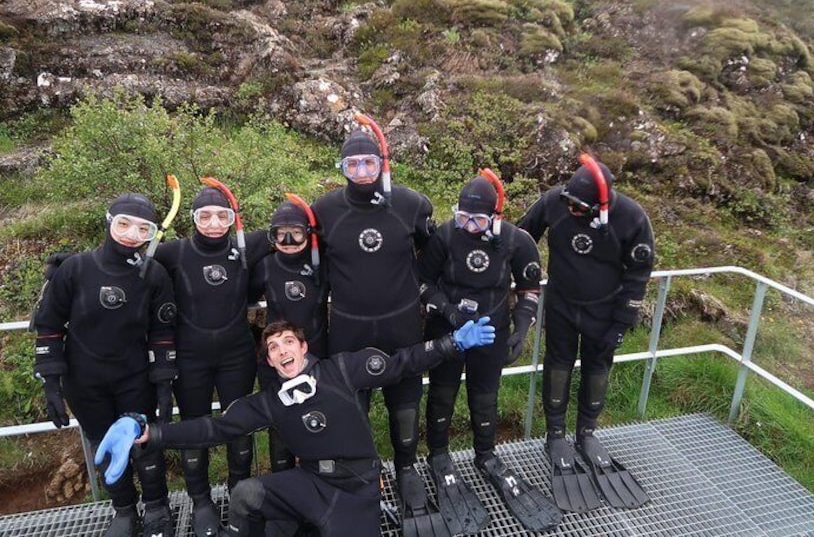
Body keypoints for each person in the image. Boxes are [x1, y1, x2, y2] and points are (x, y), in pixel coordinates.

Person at [95, 318, 496, 537]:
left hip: (355, 489)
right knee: (246, 494)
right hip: (308, 485)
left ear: (303, 348)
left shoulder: (341, 369)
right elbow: (214, 429)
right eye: (272, 347)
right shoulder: (268, 403)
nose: (282, 350)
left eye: (288, 341)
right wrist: (149, 430)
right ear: (270, 363)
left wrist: (451, 344)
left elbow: (400, 364)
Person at [419, 172, 562, 533]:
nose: (468, 226)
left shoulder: (517, 241)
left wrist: (521, 329)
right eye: (462, 216)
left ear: (495, 217)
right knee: (441, 392)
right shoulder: (445, 236)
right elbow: (422, 282)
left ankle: (486, 454)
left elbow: (529, 287)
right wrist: (448, 312)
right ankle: (438, 454)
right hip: (448, 328)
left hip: (491, 332)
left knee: (485, 395)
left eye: (478, 220)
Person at [32, 192, 178, 537]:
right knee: (105, 444)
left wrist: (163, 384)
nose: (131, 235)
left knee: (144, 443)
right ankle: (124, 510)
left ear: (152, 235)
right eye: (124, 224)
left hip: (134, 377)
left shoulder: (154, 275)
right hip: (85, 381)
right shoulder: (75, 269)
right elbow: (49, 326)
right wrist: (51, 384)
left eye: (143, 229)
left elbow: (162, 332)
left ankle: (157, 506)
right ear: (109, 221)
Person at [517, 151, 654, 510]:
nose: (573, 211)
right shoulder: (553, 202)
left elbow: (638, 274)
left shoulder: (632, 218)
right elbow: (521, 235)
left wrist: (624, 321)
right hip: (562, 303)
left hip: (605, 311)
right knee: (558, 364)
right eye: (569, 203)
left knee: (597, 368)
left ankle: (587, 432)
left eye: (581, 207)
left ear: (602, 207)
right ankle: (556, 434)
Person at [311, 126, 436, 515]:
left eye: (369, 162)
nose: (362, 170)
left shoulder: (412, 204)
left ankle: (406, 468)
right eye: (353, 163)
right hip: (349, 327)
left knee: (405, 400)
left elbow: (434, 252)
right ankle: (362, 473)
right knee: (352, 405)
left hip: (401, 325)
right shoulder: (323, 210)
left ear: (383, 164)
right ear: (341, 167)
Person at [154, 184, 272, 537]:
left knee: (239, 423)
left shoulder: (244, 246)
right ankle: (201, 501)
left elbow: (291, 231)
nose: (214, 223)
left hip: (236, 354)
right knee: (194, 425)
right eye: (204, 216)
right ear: (192, 220)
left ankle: (240, 492)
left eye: (223, 215)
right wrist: (70, 266)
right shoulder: (176, 252)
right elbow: (128, 256)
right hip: (191, 358)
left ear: (234, 218)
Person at [249, 198, 329, 473]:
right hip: (277, 358)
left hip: (317, 353)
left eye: (296, 232)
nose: (288, 239)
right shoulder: (265, 266)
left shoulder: (322, 265)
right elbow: (239, 297)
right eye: (279, 233)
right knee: (280, 421)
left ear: (309, 232)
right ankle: (283, 481)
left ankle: (320, 475)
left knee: (319, 416)